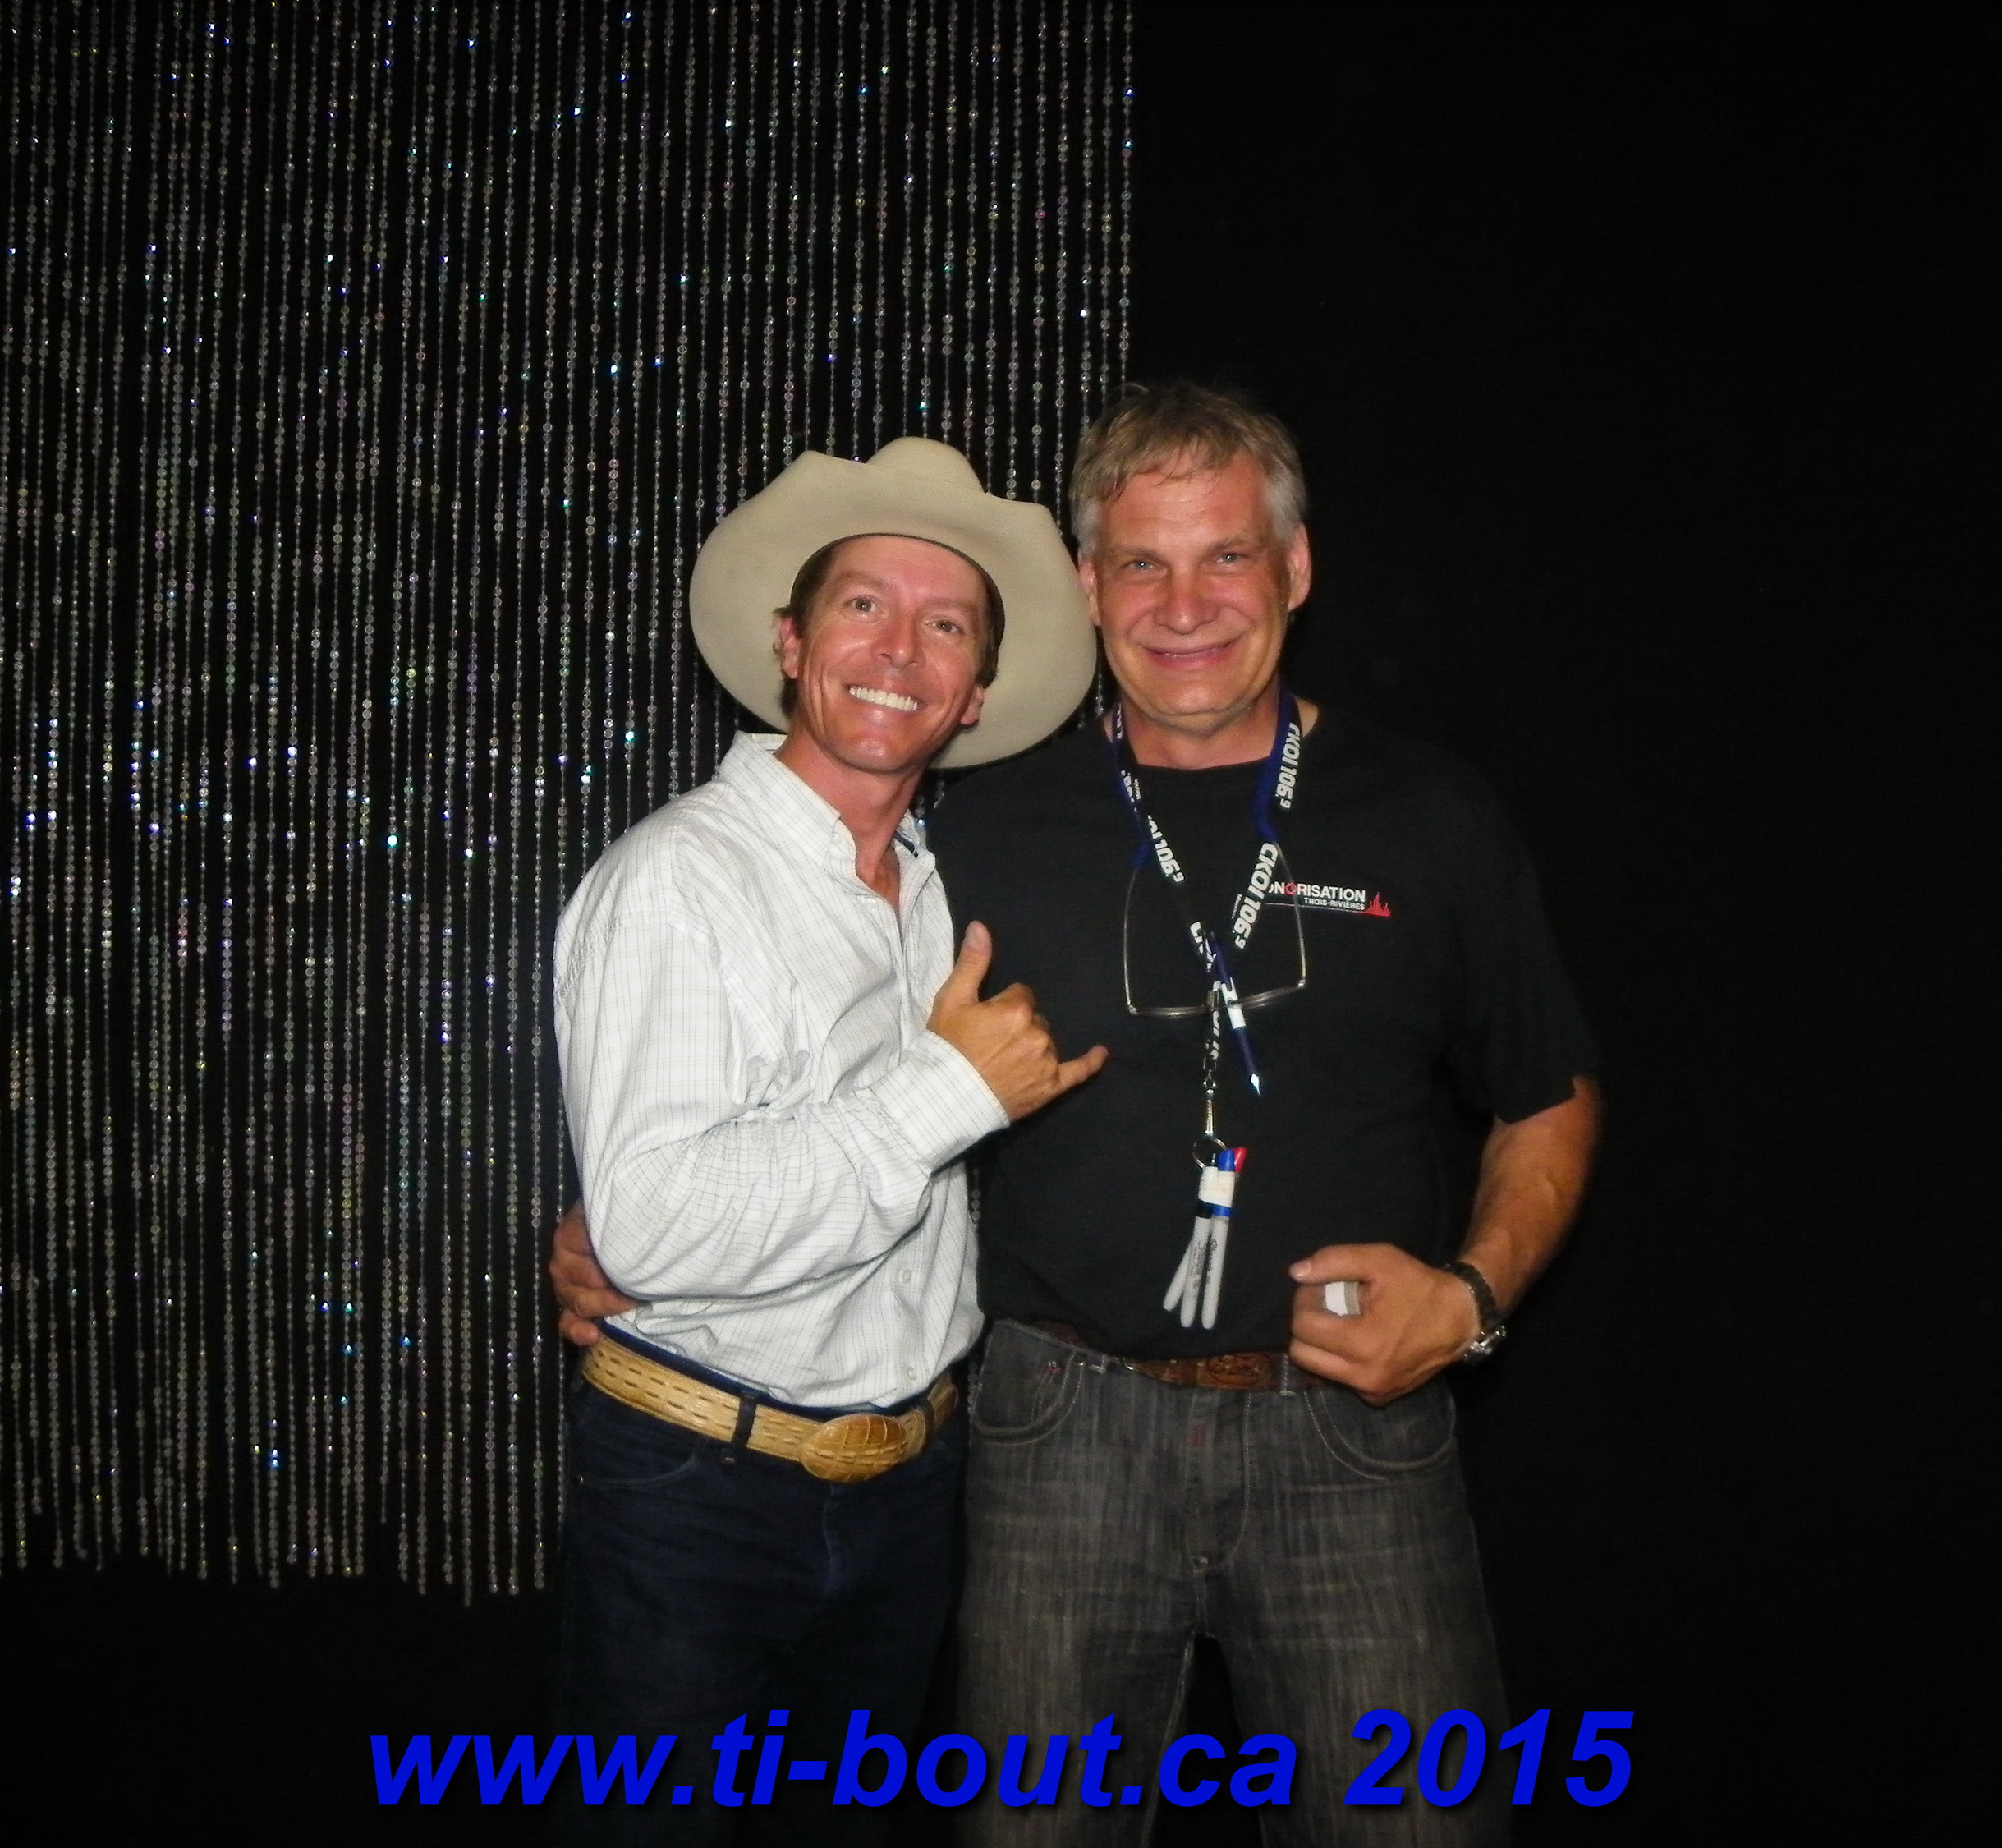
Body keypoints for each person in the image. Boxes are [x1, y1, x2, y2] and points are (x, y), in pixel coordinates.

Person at [554, 384, 1600, 1845]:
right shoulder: (971, 823)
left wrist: (1475, 1300)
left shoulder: (1430, 814)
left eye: (1226, 555)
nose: (1186, 605)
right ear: (1090, 588)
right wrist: (629, 1219)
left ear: (1295, 568)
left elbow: (1548, 1096)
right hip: (1058, 1435)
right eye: (1142, 563)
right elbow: (829, 1076)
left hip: (1353, 1435)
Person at [547, 434, 1104, 1847]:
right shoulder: (679, 876)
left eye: (946, 625)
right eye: (863, 604)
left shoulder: (938, 892)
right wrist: (946, 1091)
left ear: (974, 693)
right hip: (696, 1496)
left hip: (912, 1494)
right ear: (792, 645)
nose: (899, 650)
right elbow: (652, 1227)